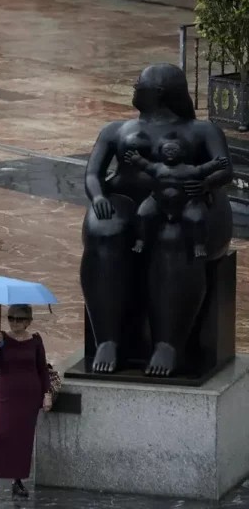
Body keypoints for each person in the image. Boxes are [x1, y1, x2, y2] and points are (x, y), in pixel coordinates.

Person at [82, 63, 234, 376]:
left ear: (158, 92)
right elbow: (93, 173)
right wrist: (98, 198)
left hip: (185, 204)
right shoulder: (114, 130)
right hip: (126, 201)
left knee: (173, 237)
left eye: (139, 83)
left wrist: (205, 185)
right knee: (104, 231)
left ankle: (168, 344)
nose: (134, 87)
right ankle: (107, 339)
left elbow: (224, 169)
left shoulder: (202, 131)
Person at [0, 305, 51, 502]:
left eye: (19, 319)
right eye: (11, 318)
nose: (14, 322)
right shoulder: (2, 338)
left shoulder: (35, 340)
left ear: (28, 321)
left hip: (29, 397)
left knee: (22, 439)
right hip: (6, 396)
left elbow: (42, 369)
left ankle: (17, 481)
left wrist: (46, 394)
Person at [124, 144, 228, 257]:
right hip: (158, 201)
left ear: (182, 153)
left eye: (174, 150)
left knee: (198, 219)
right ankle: (140, 240)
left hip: (184, 203)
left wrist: (215, 164)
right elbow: (144, 165)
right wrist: (136, 159)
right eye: (167, 150)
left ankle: (199, 244)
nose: (170, 152)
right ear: (161, 153)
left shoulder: (189, 170)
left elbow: (203, 169)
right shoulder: (156, 168)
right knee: (142, 215)